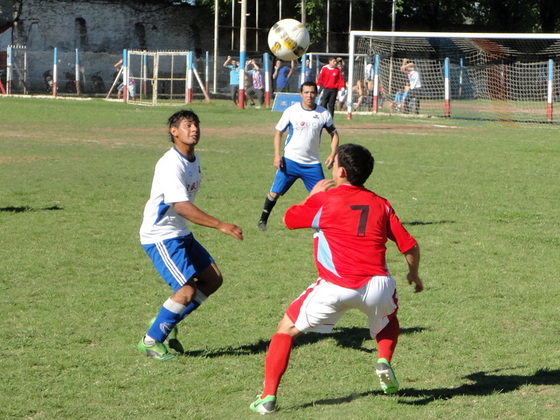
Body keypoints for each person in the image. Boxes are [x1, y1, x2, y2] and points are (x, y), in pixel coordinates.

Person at [250, 143, 423, 414]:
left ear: (340, 171)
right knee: (388, 318)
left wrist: (314, 195)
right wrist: (413, 274)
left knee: (285, 330)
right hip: (377, 286)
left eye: (333, 164)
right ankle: (383, 360)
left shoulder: (325, 199)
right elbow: (409, 246)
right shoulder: (381, 204)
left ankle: (268, 397)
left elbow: (289, 219)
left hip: (335, 286)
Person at [137, 109, 244, 361]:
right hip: (161, 235)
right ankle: (150, 340)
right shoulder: (170, 163)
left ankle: (166, 319)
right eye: (187, 125)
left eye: (196, 125)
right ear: (174, 132)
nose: (194, 129)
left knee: (213, 279)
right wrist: (220, 225)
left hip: (180, 232)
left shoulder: (193, 159)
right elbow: (181, 206)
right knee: (185, 292)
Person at [256, 81, 339, 232]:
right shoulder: (291, 111)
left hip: (312, 164)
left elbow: (334, 134)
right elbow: (278, 133)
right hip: (290, 161)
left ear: (316, 94)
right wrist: (277, 155)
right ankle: (263, 220)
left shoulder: (323, 113)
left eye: (312, 92)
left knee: (322, 195)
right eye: (306, 92)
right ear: (301, 94)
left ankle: (322, 226)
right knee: (275, 192)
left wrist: (333, 154)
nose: (309, 95)